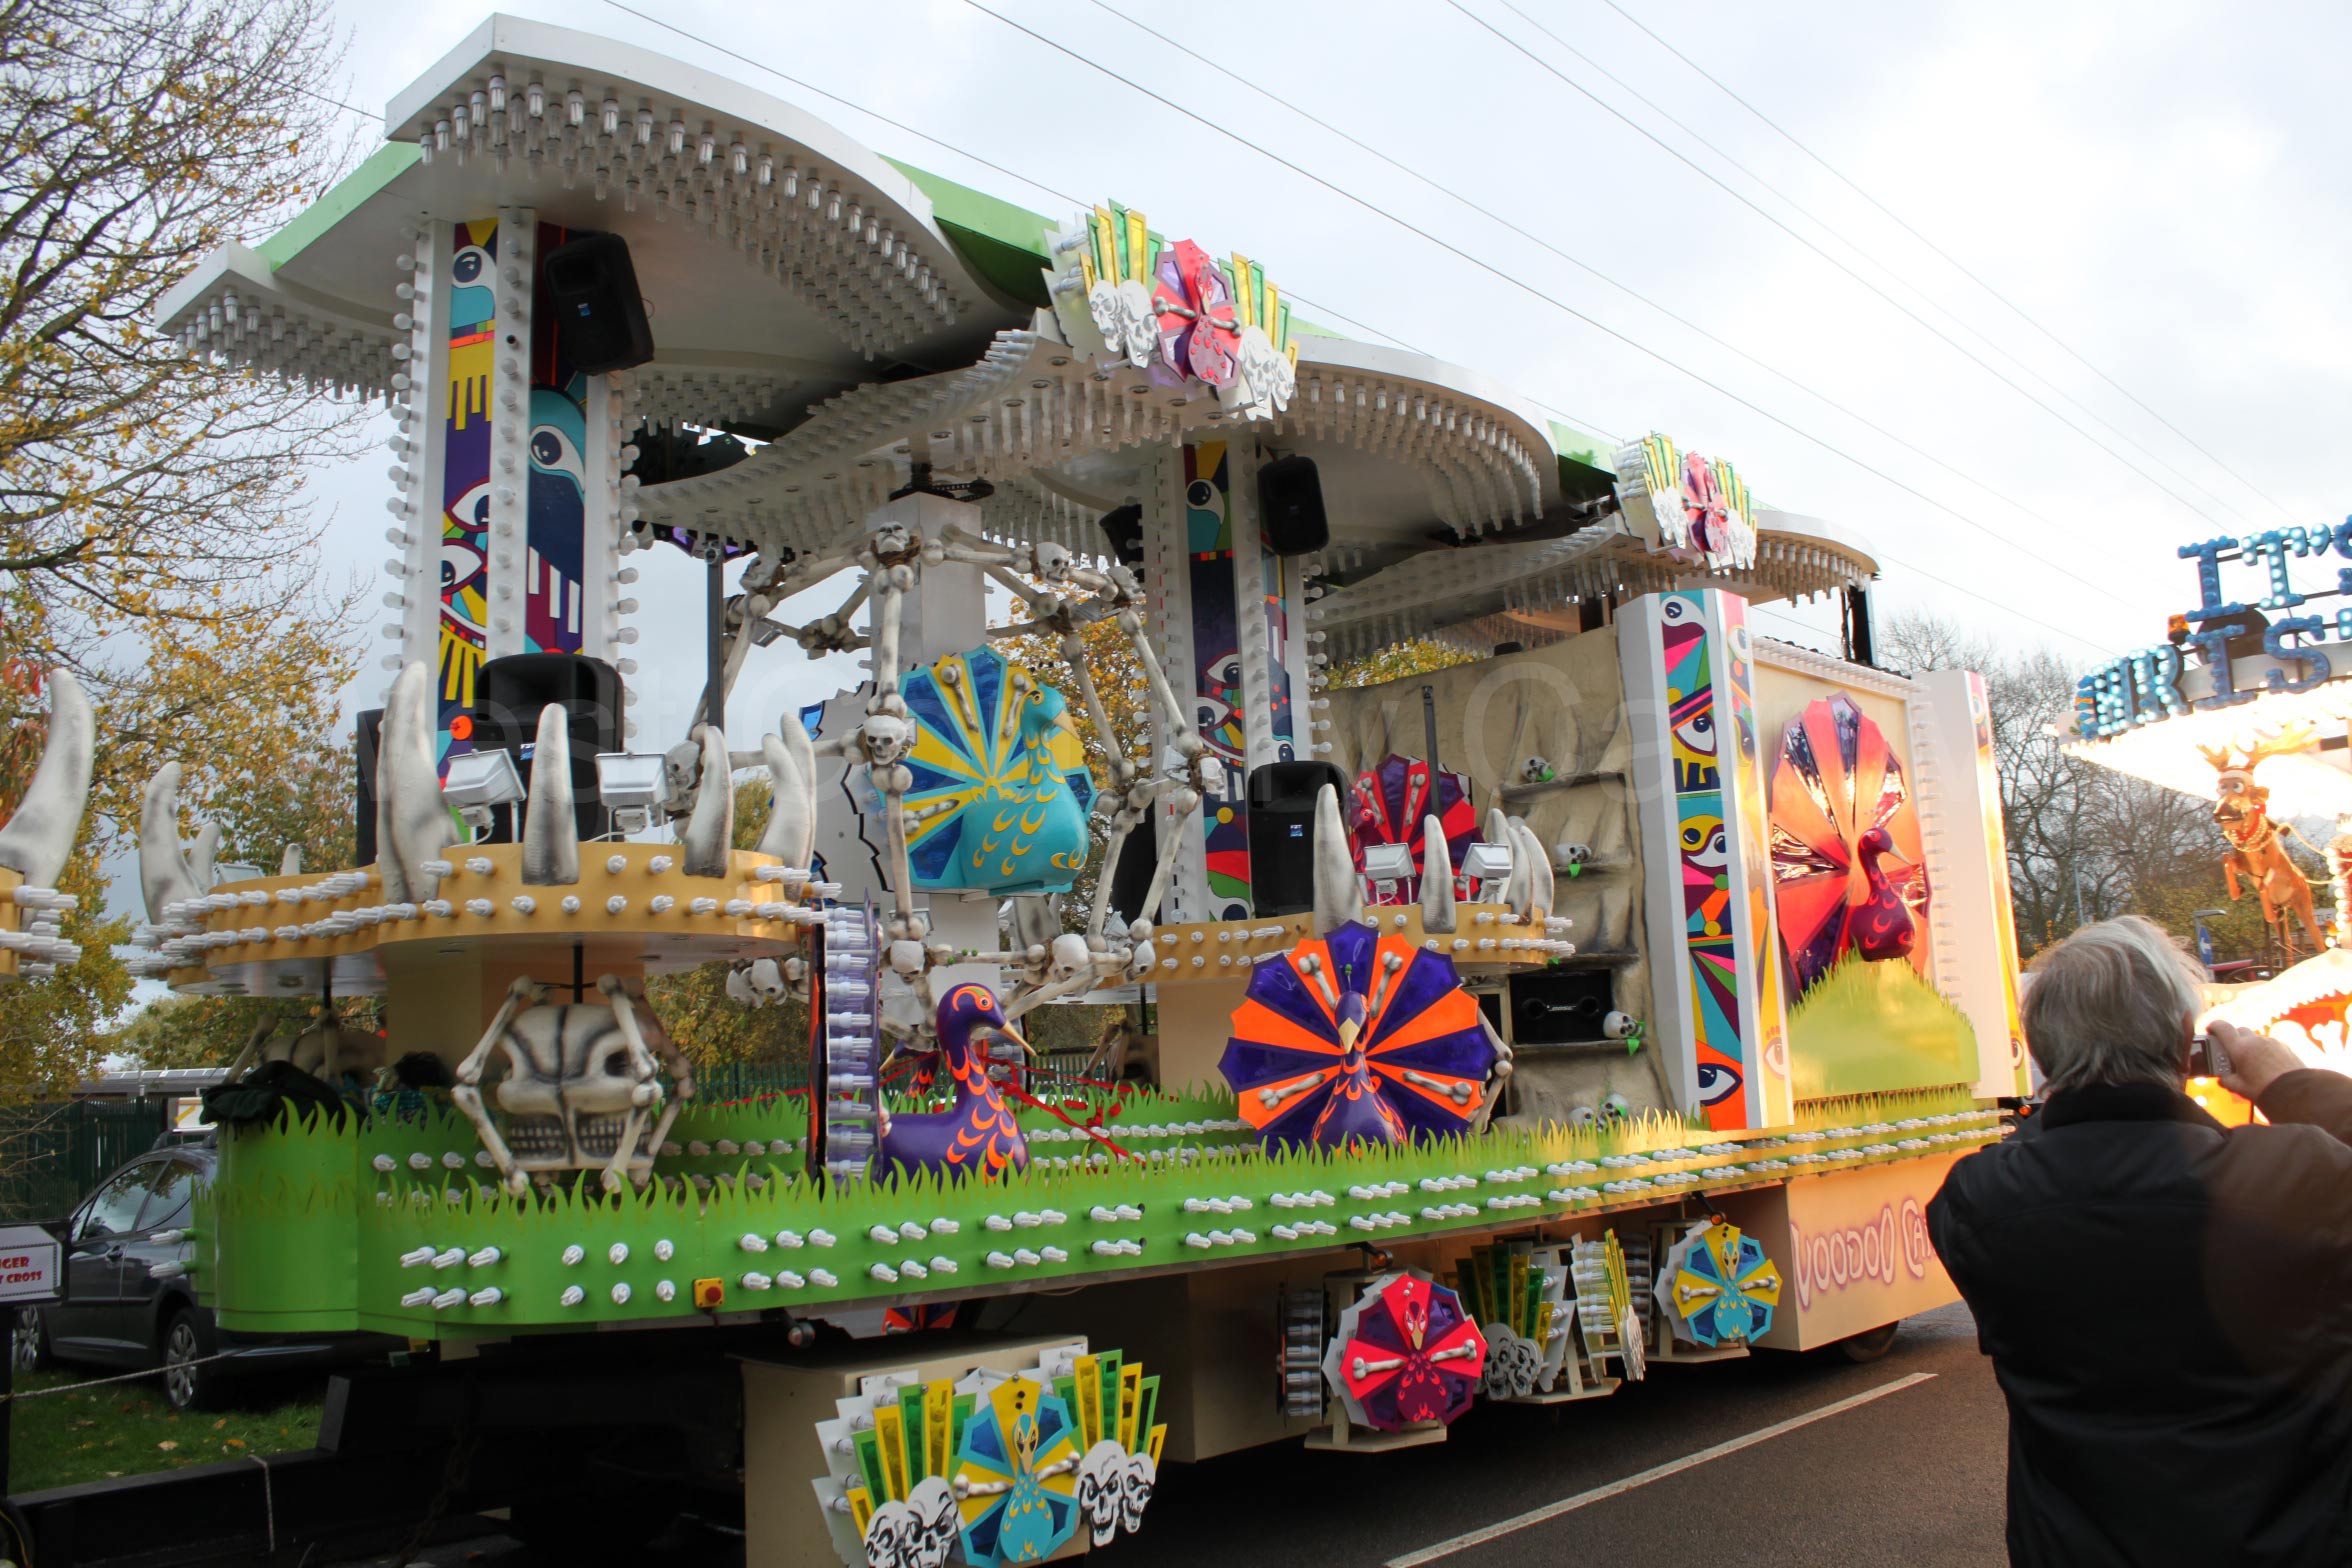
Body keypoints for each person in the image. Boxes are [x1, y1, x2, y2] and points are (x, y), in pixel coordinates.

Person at [1930, 915, 2352, 1567]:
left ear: (2041, 1052)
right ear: (2185, 1041)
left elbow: (2037, 1155)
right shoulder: (2300, 1177)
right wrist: (2287, 1084)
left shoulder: (1980, 1199)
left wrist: (2067, 1096)